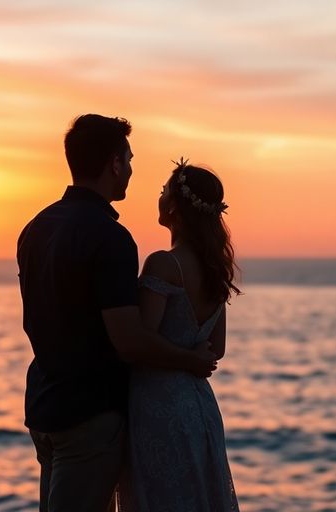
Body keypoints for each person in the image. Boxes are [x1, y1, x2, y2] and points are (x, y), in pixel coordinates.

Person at [17, 115, 218, 512]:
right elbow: (128, 340)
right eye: (128, 160)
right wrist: (190, 359)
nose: (129, 170)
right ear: (114, 164)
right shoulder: (111, 238)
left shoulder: (35, 228)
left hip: (43, 406)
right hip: (90, 414)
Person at [118, 159, 241, 511]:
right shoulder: (215, 267)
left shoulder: (164, 264)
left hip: (158, 405)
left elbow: (141, 342)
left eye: (163, 191)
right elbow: (216, 348)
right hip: (199, 405)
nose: (158, 197)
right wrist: (192, 356)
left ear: (174, 206)